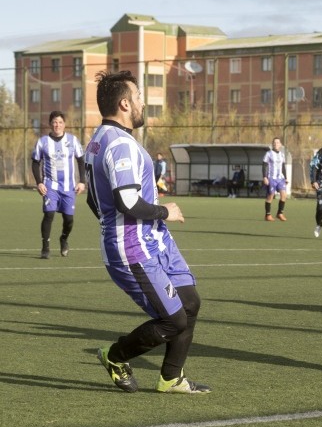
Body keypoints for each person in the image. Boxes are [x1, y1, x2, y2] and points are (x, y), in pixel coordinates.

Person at [85, 70, 210, 394]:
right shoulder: (119, 144)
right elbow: (126, 200)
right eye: (139, 98)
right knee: (173, 320)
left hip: (153, 239)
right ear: (125, 103)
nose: (142, 103)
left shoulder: (99, 141)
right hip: (133, 247)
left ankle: (171, 378)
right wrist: (163, 211)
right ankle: (114, 357)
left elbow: (94, 200)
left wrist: (148, 216)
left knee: (190, 303)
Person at [31, 110, 86, 259]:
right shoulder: (42, 142)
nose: (57, 125)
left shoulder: (72, 140)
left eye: (60, 122)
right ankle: (45, 248)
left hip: (69, 187)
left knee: (69, 220)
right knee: (49, 214)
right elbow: (35, 163)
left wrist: (82, 181)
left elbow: (81, 161)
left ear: (64, 124)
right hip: (50, 186)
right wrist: (39, 183)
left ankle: (64, 239)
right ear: (50, 124)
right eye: (54, 122)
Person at [263, 137, 288, 221]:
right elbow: (264, 165)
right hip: (271, 178)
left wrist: (286, 178)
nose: (276, 144)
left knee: (284, 195)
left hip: (280, 178)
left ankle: (280, 213)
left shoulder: (282, 155)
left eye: (277, 142)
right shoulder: (268, 153)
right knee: (271, 196)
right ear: (272, 144)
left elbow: (283, 167)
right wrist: (265, 177)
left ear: (280, 144)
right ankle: (267, 215)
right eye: (274, 142)